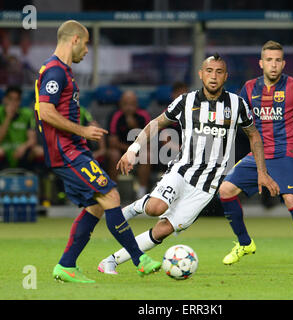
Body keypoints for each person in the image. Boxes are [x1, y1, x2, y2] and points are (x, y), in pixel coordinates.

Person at [97, 53, 280, 274]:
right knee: (156, 208)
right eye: (209, 71)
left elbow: (254, 136)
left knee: (163, 230)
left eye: (219, 72)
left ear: (226, 77)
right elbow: (157, 123)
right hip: (181, 170)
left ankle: (111, 261)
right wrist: (133, 150)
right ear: (201, 74)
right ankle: (130, 209)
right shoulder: (186, 101)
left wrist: (262, 171)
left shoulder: (237, 104)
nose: (214, 77)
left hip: (207, 186)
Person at [34, 20, 161, 284]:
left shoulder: (62, 72)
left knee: (95, 207)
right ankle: (140, 259)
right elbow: (46, 112)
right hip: (67, 152)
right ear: (75, 40)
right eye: (87, 43)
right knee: (110, 195)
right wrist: (81, 132)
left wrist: (81, 130)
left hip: (72, 150)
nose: (88, 50)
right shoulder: (55, 71)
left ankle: (66, 266)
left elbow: (57, 112)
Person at [219, 40, 293, 268]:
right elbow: (235, 115)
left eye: (277, 61)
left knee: (291, 199)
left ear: (283, 64)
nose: (273, 65)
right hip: (258, 156)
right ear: (261, 63)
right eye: (269, 60)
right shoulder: (249, 87)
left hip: (285, 153)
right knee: (225, 191)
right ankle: (244, 243)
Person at [108, 90, 151, 198]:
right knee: (113, 154)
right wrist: (129, 151)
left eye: (131, 104)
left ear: (136, 104)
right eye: (125, 104)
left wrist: (135, 127)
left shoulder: (144, 116)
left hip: (139, 150)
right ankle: (114, 190)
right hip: (121, 150)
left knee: (147, 155)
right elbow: (112, 143)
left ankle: (142, 192)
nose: (128, 107)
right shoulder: (116, 116)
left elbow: (149, 141)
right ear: (120, 104)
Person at [0, 86, 43, 171]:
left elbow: (32, 140)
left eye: (16, 100)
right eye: (10, 99)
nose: (13, 103)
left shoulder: (27, 114)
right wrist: (8, 117)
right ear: (5, 99)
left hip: (22, 152)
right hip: (4, 150)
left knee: (40, 151)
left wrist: (23, 147)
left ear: (20, 101)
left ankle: (40, 181)